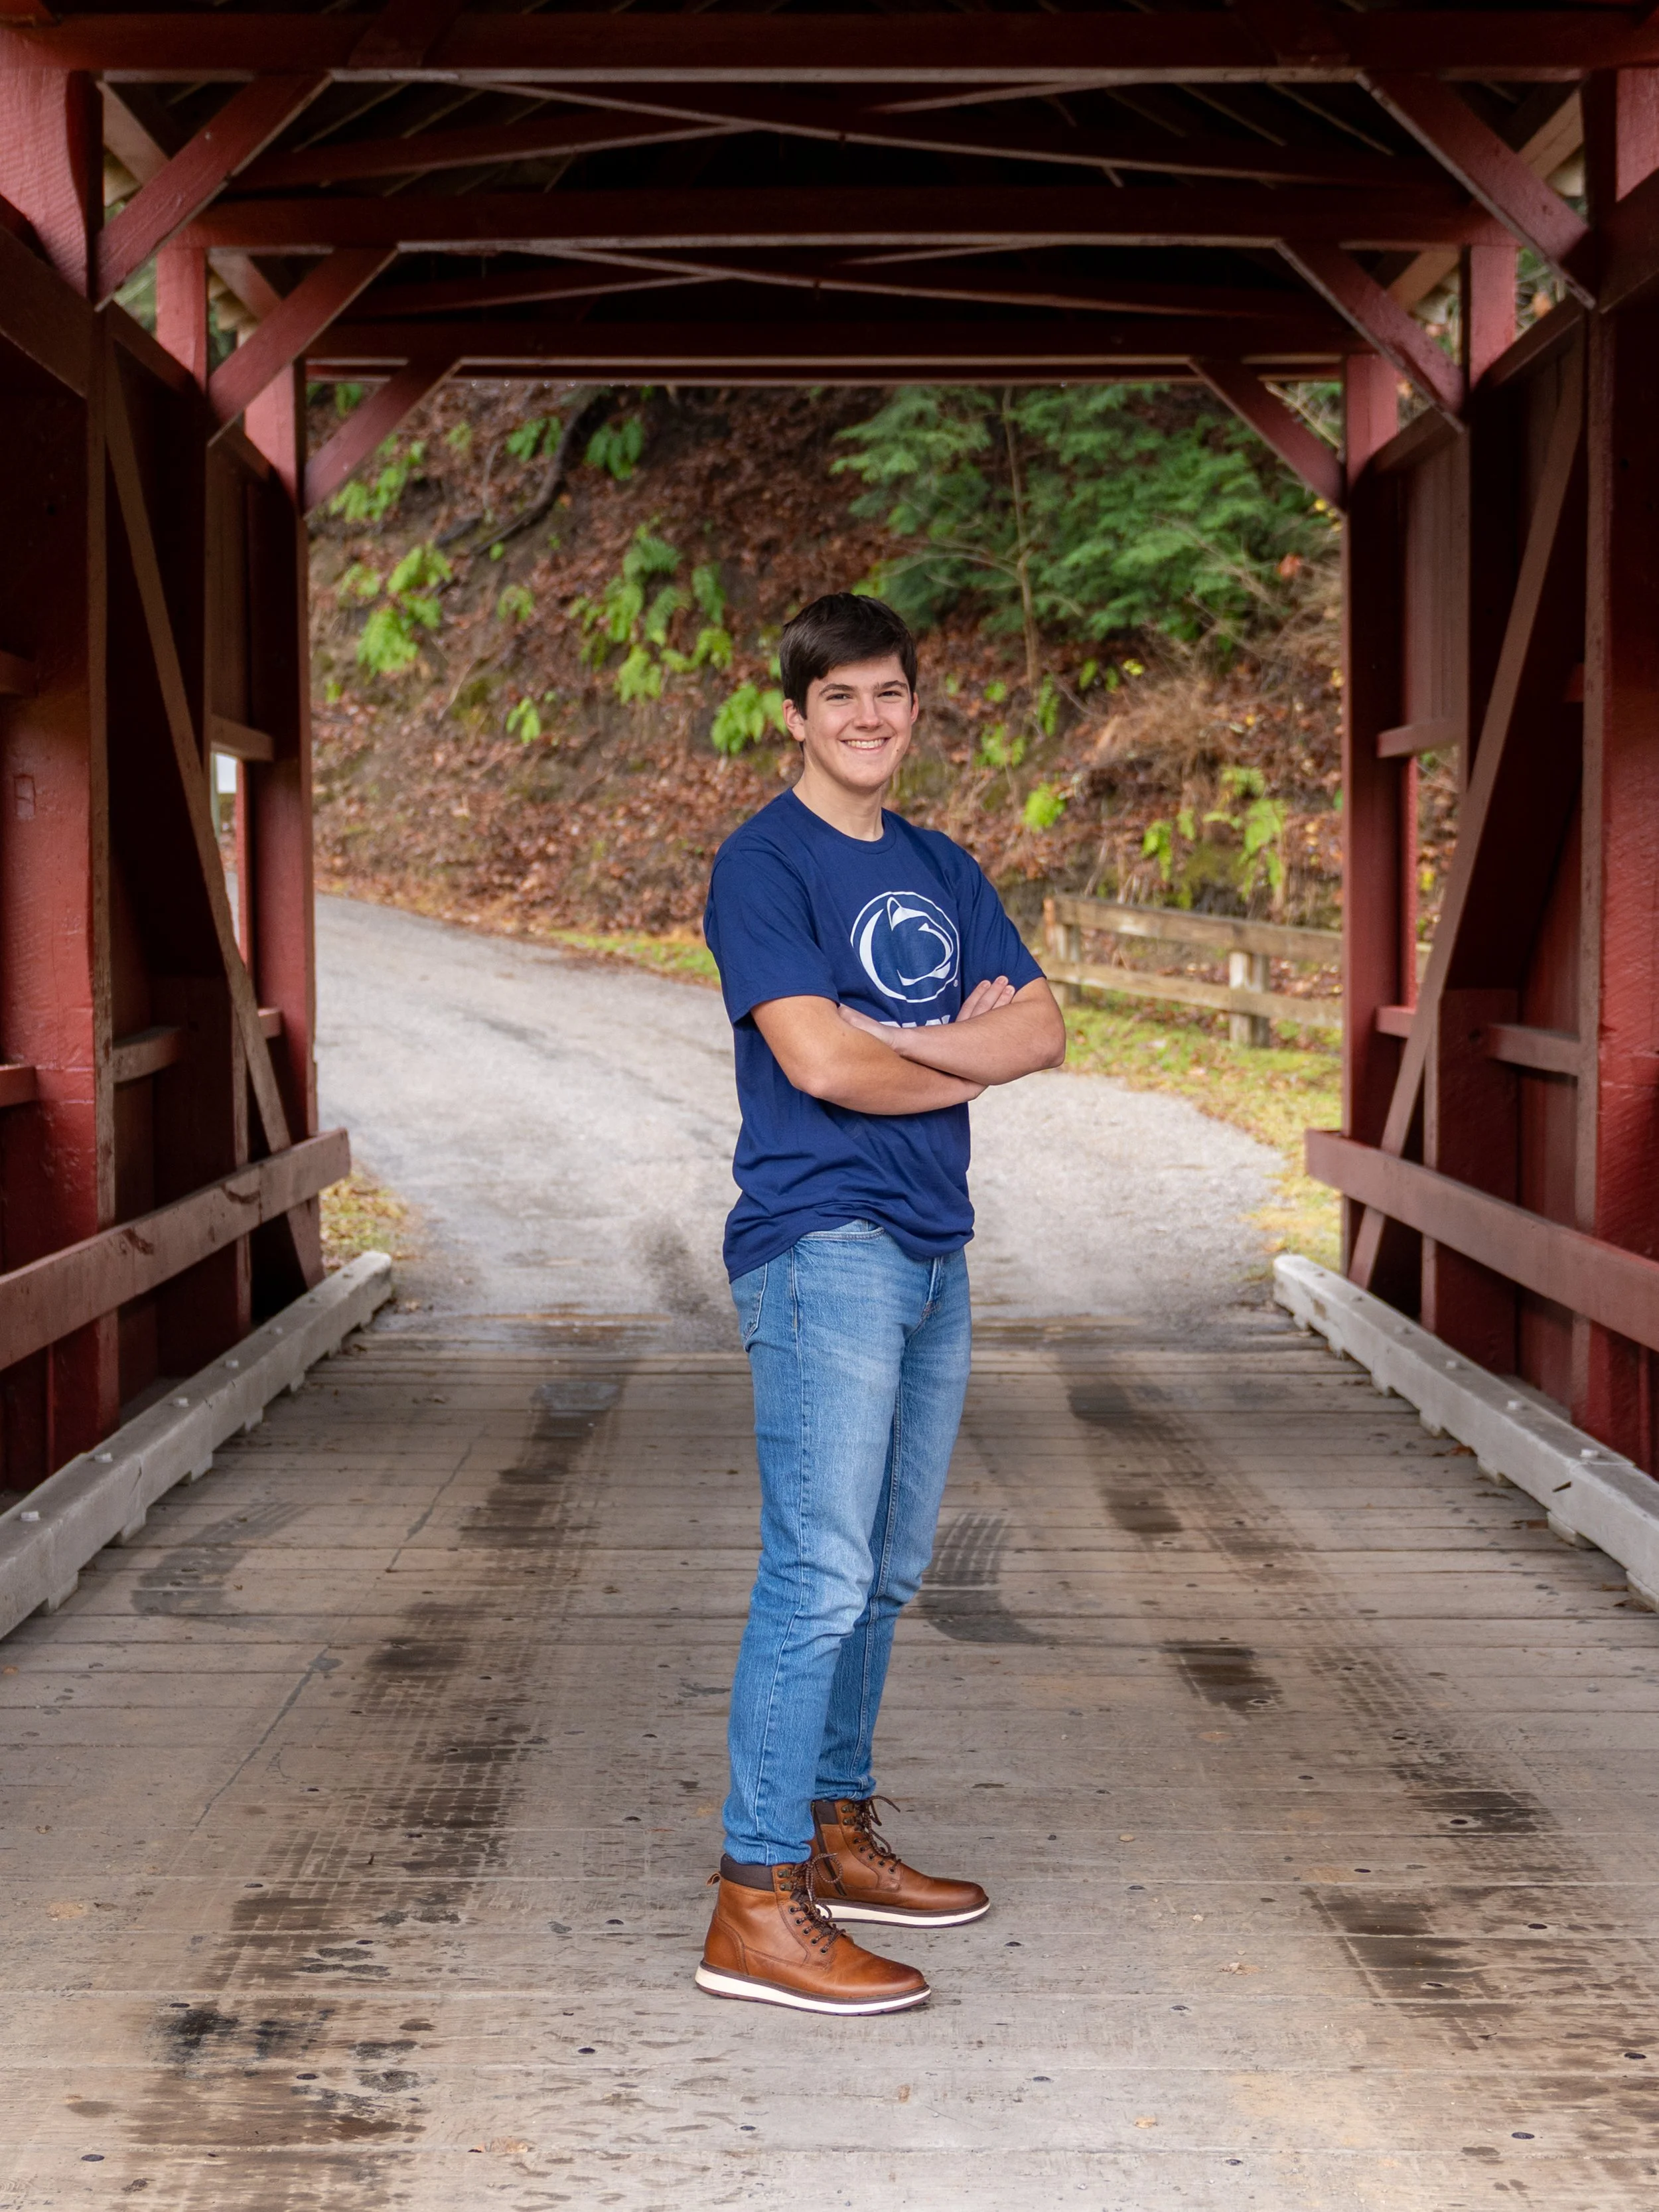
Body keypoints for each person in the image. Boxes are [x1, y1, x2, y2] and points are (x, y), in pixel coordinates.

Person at [696, 592, 1067, 2015]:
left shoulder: (937, 861)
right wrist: (963, 1052)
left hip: (931, 1244)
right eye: (837, 697)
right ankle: (751, 1898)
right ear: (792, 712)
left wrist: (930, 1045)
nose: (866, 719)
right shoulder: (763, 865)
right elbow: (821, 1068)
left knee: (888, 1567)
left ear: (913, 707)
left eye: (889, 695)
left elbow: (1044, 1022)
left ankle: (834, 1835)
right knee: (816, 1569)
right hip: (819, 1242)